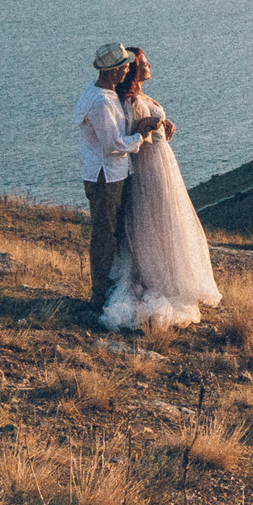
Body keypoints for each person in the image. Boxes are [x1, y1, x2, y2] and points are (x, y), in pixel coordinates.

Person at [100, 47, 223, 331]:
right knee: (157, 219)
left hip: (161, 162)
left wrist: (162, 124)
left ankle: (172, 275)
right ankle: (160, 279)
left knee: (169, 220)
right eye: (144, 63)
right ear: (134, 69)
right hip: (150, 166)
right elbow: (131, 132)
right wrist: (149, 125)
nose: (149, 65)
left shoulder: (141, 97)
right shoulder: (130, 100)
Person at [76, 42, 157, 312]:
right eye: (123, 67)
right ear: (112, 72)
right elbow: (112, 146)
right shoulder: (101, 102)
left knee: (113, 232)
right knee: (104, 235)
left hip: (113, 174)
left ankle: (111, 289)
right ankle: (100, 294)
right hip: (105, 176)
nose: (126, 71)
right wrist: (142, 138)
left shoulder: (101, 92)